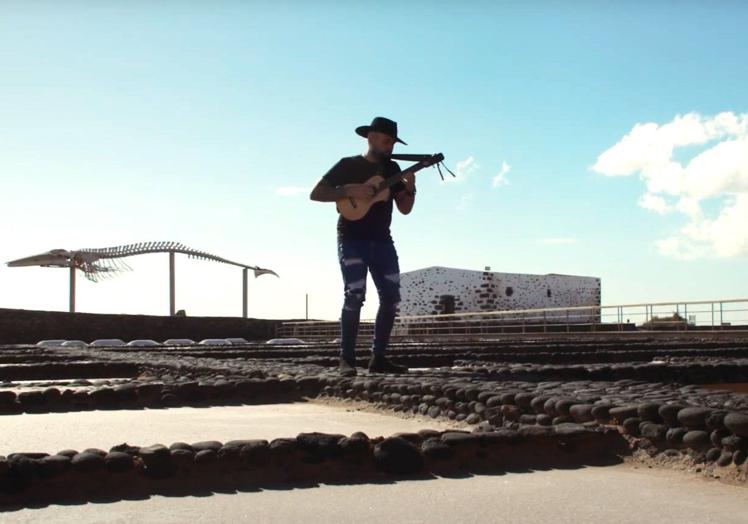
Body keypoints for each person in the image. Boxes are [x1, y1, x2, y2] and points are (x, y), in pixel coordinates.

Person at [310, 117, 416, 376]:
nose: (390, 146)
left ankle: (378, 358)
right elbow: (316, 193)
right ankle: (346, 359)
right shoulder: (348, 165)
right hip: (352, 238)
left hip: (382, 240)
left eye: (392, 142)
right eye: (386, 140)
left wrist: (411, 187)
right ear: (371, 137)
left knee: (391, 298)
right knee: (354, 295)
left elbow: (405, 208)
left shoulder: (393, 170)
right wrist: (348, 190)